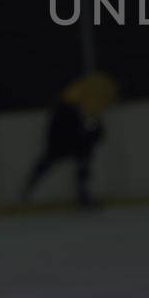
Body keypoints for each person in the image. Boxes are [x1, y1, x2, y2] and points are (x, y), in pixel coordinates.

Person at [21, 72, 118, 208]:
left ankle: (83, 196)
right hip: (62, 142)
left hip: (73, 142)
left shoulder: (82, 108)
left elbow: (93, 129)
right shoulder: (67, 109)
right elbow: (84, 129)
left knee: (82, 161)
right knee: (52, 161)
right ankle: (27, 191)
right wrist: (89, 133)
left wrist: (91, 134)